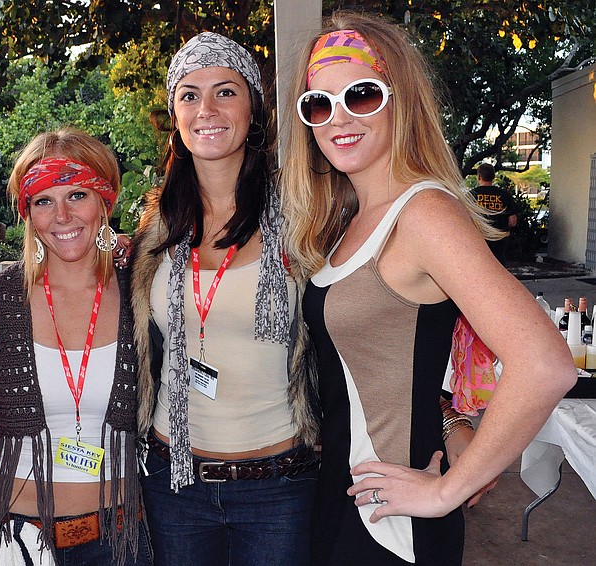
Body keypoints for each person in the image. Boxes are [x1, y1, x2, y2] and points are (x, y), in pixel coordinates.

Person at [280, 11, 576, 565]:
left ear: (401, 98)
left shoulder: (425, 213)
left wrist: (448, 489)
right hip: (345, 501)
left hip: (393, 525)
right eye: (319, 104)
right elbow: (397, 354)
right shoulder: (350, 218)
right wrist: (450, 418)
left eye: (361, 95)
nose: (338, 118)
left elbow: (544, 364)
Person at [131, 32, 320, 566]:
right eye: (189, 95)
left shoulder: (305, 217)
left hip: (280, 484)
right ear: (175, 115)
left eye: (225, 92)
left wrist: (448, 415)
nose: (206, 109)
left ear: (253, 108)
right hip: (173, 482)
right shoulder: (155, 230)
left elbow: (367, 322)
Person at [0, 128, 150, 565]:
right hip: (18, 539)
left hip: (121, 539)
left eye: (77, 195)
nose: (62, 216)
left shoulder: (144, 291)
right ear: (27, 213)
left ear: (105, 201)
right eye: (43, 201)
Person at [471, 162, 518, 265]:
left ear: (479, 177)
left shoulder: (470, 196)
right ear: (493, 176)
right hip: (499, 239)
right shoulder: (505, 195)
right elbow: (513, 222)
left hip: (478, 239)